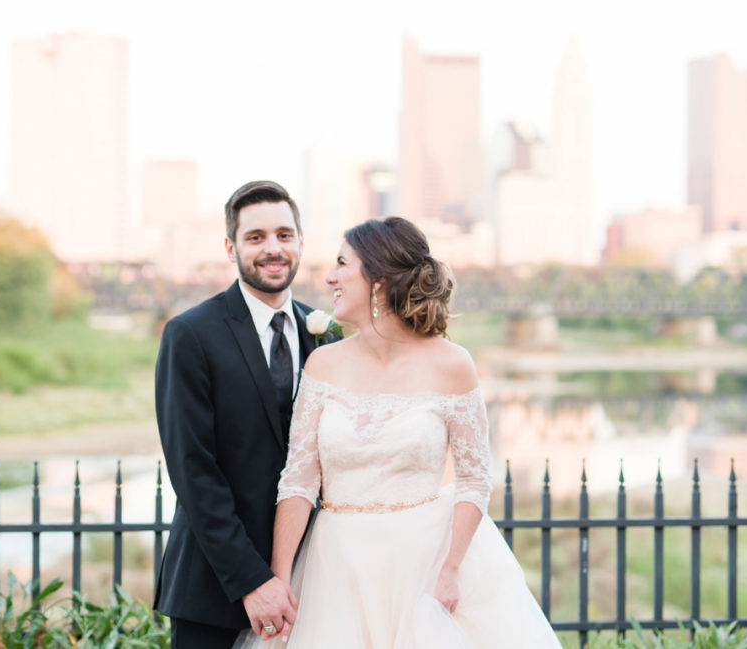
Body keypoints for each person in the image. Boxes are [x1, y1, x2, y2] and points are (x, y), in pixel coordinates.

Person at [234, 217, 562, 648]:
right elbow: (298, 481)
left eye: (341, 264)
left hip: (424, 563)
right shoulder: (323, 364)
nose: (329, 277)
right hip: (337, 566)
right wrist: (280, 576)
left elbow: (475, 479)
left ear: (379, 281)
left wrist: (450, 568)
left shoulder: (453, 364)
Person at [155, 181, 318, 648]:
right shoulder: (190, 334)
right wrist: (251, 580)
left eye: (284, 235)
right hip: (215, 588)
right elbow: (193, 470)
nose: (273, 249)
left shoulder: (325, 335)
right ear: (231, 248)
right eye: (255, 237)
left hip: (311, 581)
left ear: (300, 242)